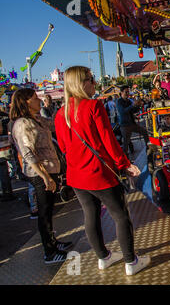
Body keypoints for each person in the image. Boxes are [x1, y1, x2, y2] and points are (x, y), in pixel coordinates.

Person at [55, 66, 150, 275]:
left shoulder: (61, 113)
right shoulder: (92, 106)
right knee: (121, 216)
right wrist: (125, 163)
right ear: (81, 83)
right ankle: (130, 262)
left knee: (90, 216)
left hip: (76, 176)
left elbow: (63, 148)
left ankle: (103, 258)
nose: (95, 83)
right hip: (99, 174)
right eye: (91, 79)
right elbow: (109, 141)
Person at [10, 88, 72, 264]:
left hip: (50, 170)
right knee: (44, 212)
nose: (39, 101)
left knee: (50, 210)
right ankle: (49, 252)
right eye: (35, 98)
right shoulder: (22, 124)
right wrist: (45, 177)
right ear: (26, 102)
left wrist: (66, 107)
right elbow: (28, 154)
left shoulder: (36, 120)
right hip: (40, 174)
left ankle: (53, 242)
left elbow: (53, 124)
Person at [116, 85, 149, 158]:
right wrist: (132, 105)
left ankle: (148, 148)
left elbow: (133, 111)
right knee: (126, 143)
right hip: (124, 125)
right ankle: (126, 160)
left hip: (132, 123)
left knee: (144, 132)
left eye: (128, 92)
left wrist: (138, 105)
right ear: (121, 92)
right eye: (126, 92)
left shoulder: (128, 101)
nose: (128, 93)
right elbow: (123, 111)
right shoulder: (119, 101)